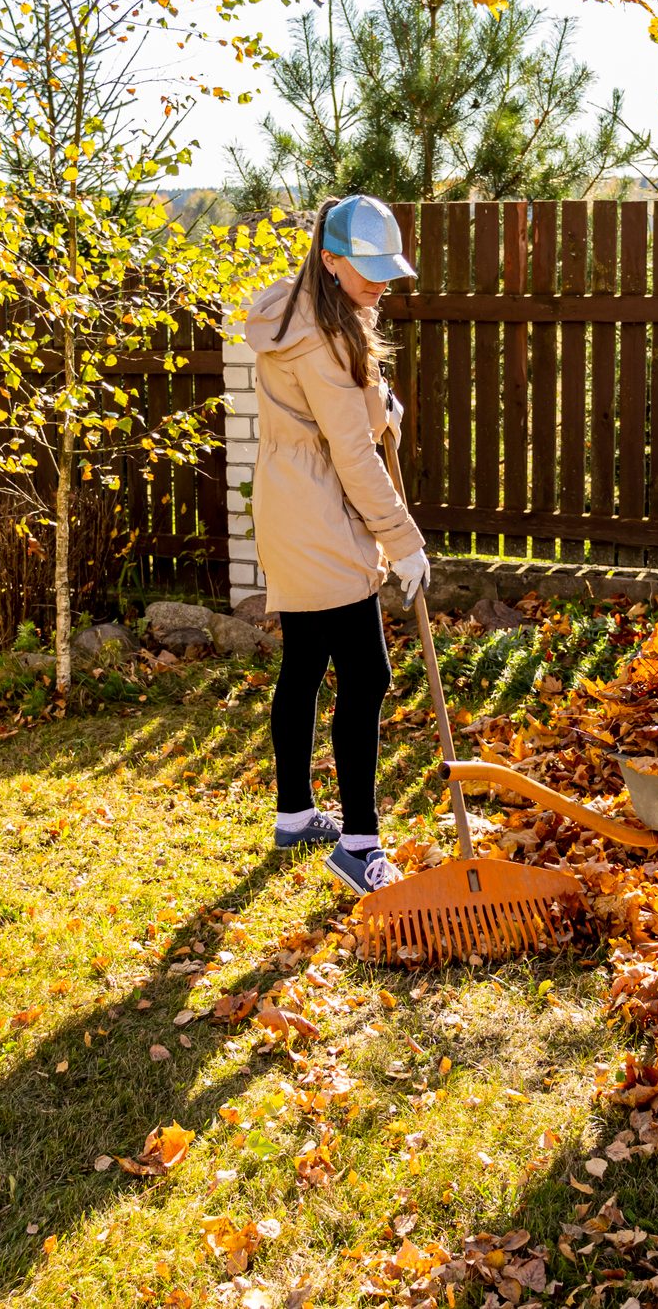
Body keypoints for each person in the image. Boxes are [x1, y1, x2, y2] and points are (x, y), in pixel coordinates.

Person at [243, 195, 431, 895]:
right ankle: (359, 845)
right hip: (322, 515)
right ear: (329, 260)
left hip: (293, 504)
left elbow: (342, 415)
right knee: (368, 676)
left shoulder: (306, 312)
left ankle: (294, 815)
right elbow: (352, 456)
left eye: (387, 268)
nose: (381, 282)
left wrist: (379, 406)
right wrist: (402, 539)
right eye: (367, 269)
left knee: (304, 663)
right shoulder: (321, 337)